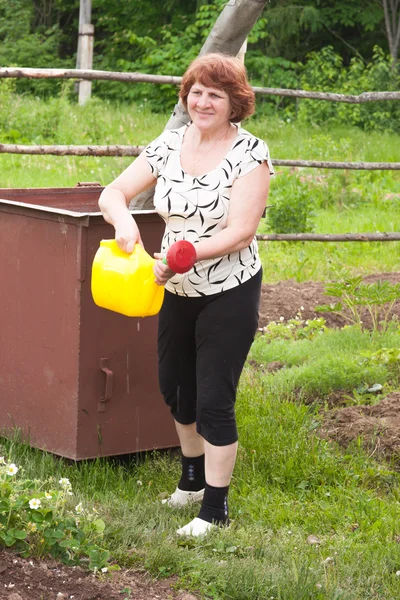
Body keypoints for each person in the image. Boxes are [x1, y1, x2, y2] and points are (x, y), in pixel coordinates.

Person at [98, 53, 274, 537]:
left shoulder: (249, 154)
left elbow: (240, 232)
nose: (203, 101)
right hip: (175, 286)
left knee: (214, 396)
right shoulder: (171, 143)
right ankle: (191, 482)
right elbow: (112, 191)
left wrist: (184, 253)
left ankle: (214, 511)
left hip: (229, 287)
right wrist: (126, 219)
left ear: (235, 103)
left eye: (216, 94)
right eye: (196, 91)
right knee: (176, 388)